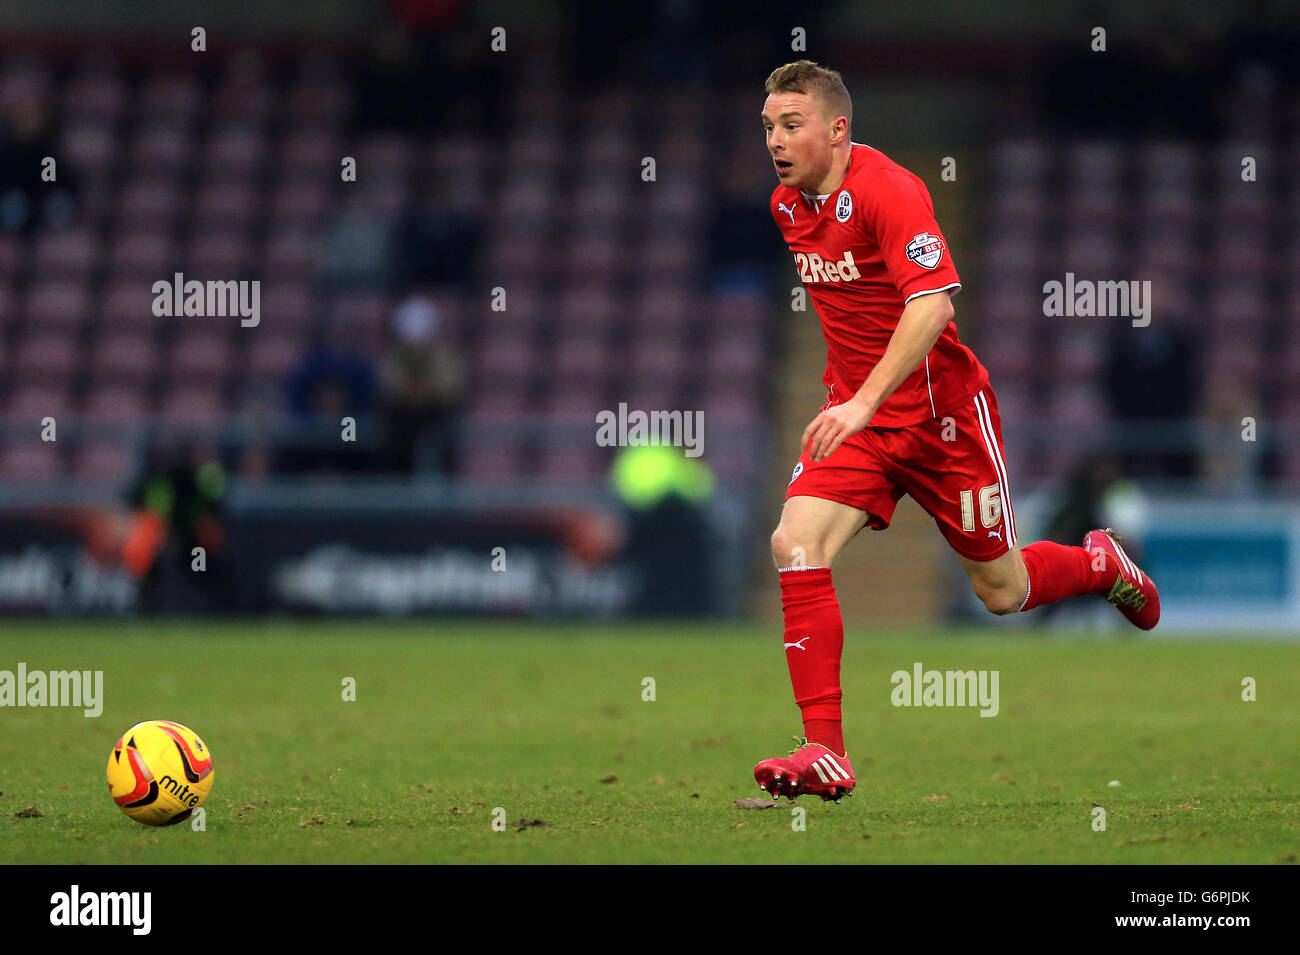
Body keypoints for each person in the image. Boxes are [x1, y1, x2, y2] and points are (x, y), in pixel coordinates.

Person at [753, 61, 1161, 804]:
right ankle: (825, 749)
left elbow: (933, 307)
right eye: (769, 128)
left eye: (791, 125)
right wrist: (857, 405)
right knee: (793, 543)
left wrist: (866, 400)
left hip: (943, 422)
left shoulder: (889, 189)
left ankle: (1103, 566)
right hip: (861, 421)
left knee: (1002, 592)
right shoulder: (788, 206)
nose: (776, 142)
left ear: (838, 129)